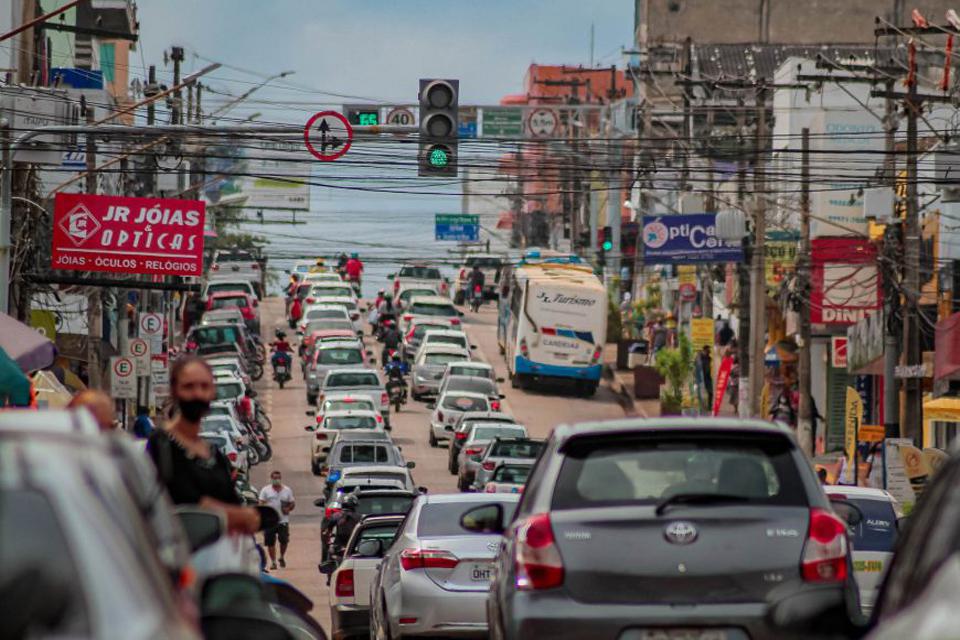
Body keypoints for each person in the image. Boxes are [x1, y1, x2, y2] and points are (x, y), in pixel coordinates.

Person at [146, 356, 260, 533]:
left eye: (204, 386)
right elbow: (187, 502)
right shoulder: (162, 444)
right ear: (174, 390)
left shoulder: (214, 455)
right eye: (189, 386)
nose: (197, 394)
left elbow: (233, 503)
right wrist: (241, 516)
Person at [259, 470, 295, 570]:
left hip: (283, 520)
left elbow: (292, 503)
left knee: (284, 540)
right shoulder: (266, 490)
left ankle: (281, 557)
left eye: (278, 478)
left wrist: (288, 508)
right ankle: (273, 562)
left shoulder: (287, 490)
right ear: (271, 479)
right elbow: (261, 502)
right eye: (274, 478)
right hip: (270, 521)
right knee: (270, 543)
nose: (276, 480)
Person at [695, 345, 713, 409]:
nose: (709, 352)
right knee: (700, 392)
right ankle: (701, 406)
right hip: (700, 377)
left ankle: (709, 406)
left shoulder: (709, 358)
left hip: (707, 377)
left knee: (710, 392)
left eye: (709, 351)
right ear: (704, 350)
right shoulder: (699, 357)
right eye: (708, 350)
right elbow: (697, 365)